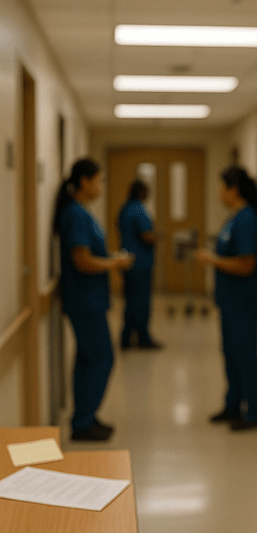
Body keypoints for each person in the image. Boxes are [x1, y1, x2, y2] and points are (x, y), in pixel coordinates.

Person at [53, 157, 134, 441]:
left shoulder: (81, 212)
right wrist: (114, 264)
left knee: (87, 359)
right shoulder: (75, 214)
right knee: (102, 358)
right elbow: (82, 261)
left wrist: (110, 259)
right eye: (98, 180)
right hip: (84, 301)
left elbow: (89, 256)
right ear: (85, 181)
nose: (100, 186)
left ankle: (84, 418)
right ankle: (83, 421)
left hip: (89, 299)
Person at [195, 165, 257, 431]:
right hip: (230, 300)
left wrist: (213, 260)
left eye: (221, 186)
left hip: (243, 300)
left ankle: (254, 413)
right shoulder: (234, 217)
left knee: (245, 355)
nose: (218, 192)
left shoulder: (247, 218)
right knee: (231, 354)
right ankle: (233, 404)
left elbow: (247, 264)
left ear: (232, 189)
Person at [118, 179, 161, 349]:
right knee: (141, 303)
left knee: (130, 302)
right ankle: (143, 338)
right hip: (140, 264)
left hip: (128, 263)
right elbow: (147, 235)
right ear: (142, 192)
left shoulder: (124, 209)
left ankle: (126, 338)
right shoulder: (138, 210)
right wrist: (157, 237)